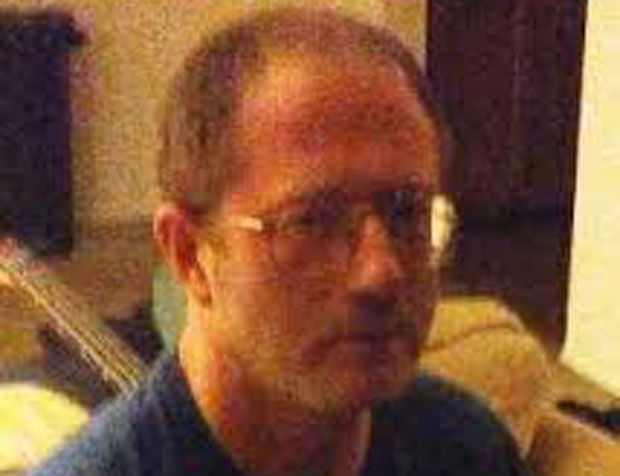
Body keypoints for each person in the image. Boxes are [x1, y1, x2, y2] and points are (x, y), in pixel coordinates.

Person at [32, 7, 530, 476]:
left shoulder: (466, 448)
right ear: (188, 254)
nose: (381, 273)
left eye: (407, 211)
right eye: (311, 222)